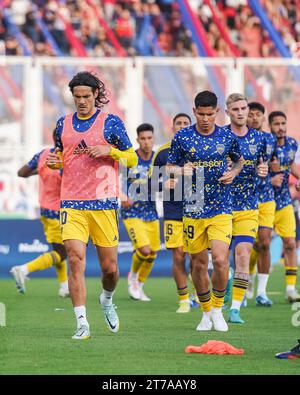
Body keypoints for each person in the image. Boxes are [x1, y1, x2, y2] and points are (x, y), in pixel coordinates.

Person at [46, 71, 138, 340]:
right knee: (75, 260)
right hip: (72, 203)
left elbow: (132, 158)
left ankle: (107, 299)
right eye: (77, 97)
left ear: (96, 94)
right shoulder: (62, 124)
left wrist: (111, 151)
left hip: (104, 203)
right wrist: (56, 161)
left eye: (87, 96)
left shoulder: (111, 123)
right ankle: (82, 323)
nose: (82, 101)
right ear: (72, 96)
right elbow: (61, 155)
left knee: (110, 270)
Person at [167, 90, 244, 332]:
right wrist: (180, 171)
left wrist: (233, 173)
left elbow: (239, 160)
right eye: (201, 114)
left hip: (221, 206)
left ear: (217, 112)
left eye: (210, 114)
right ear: (194, 112)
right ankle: (206, 311)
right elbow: (169, 166)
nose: (205, 119)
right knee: (198, 265)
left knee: (221, 260)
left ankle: (218, 309)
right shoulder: (182, 137)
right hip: (193, 207)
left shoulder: (227, 137)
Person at [225, 93, 268, 324]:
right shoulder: (220, 136)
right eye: (236, 109)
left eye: (244, 108)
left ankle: (235, 308)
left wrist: (263, 172)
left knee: (242, 254)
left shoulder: (260, 139)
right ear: (228, 112)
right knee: (221, 260)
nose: (241, 113)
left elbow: (263, 166)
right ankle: (226, 284)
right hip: (220, 206)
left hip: (248, 206)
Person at [10, 131, 69, 298]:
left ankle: (64, 287)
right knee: (63, 253)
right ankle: (23, 269)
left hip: (45, 209)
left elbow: (21, 173)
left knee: (58, 249)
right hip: (60, 211)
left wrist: (40, 170)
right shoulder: (67, 158)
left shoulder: (43, 155)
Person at [151, 113, 193, 313]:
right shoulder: (162, 152)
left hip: (198, 209)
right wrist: (163, 183)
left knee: (197, 257)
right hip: (174, 210)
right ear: (172, 127)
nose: (182, 126)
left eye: (186, 123)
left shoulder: (199, 148)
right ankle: (184, 299)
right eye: (179, 123)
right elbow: (149, 183)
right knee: (178, 255)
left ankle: (198, 294)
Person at [122, 123, 160, 302]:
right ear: (137, 140)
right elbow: (117, 177)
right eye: (143, 139)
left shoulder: (158, 159)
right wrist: (121, 196)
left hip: (151, 212)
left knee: (153, 252)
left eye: (149, 138)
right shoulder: (131, 159)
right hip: (132, 212)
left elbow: (164, 181)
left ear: (154, 139)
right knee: (144, 250)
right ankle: (132, 276)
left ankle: (139, 285)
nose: (146, 142)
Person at [246, 102, 277, 306]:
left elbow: (276, 163)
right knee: (247, 245)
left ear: (263, 118)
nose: (254, 118)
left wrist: (276, 174)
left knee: (264, 243)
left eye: (258, 115)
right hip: (245, 198)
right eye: (251, 114)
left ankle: (262, 292)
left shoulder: (270, 139)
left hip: (266, 197)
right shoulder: (238, 138)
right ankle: (245, 279)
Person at [269, 110, 300, 302]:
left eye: (283, 123)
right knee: (260, 245)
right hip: (264, 201)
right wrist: (270, 178)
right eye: (276, 124)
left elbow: (291, 166)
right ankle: (247, 284)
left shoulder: (292, 144)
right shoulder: (265, 145)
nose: (280, 127)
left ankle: (290, 289)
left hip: (284, 203)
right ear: (270, 126)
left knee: (290, 243)